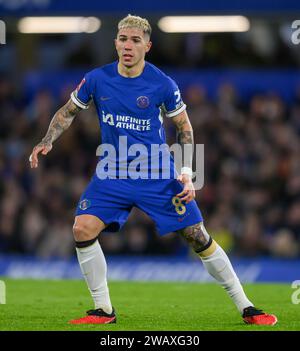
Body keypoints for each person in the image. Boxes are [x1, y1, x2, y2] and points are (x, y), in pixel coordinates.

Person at [29, 15, 277, 326]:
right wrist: (47, 140)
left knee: (197, 235)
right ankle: (103, 310)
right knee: (82, 229)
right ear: (115, 42)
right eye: (122, 39)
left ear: (148, 45)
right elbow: (68, 112)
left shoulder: (162, 84)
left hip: (157, 173)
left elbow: (184, 127)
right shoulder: (96, 79)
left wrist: (188, 173)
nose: (127, 46)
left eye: (135, 40)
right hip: (112, 172)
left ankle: (247, 307)